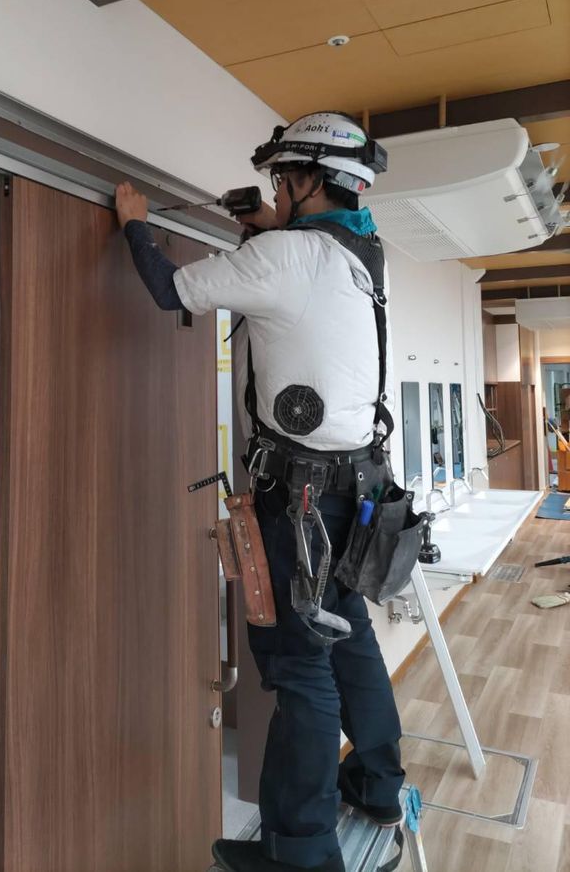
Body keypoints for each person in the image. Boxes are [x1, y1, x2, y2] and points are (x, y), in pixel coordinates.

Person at [115, 112, 405, 872]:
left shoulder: (285, 255)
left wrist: (135, 222)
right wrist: (268, 229)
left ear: (307, 179)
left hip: (300, 503)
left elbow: (168, 288)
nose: (276, 192)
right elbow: (300, 289)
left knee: (302, 666)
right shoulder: (362, 254)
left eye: (282, 180)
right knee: (350, 635)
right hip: (358, 488)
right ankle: (378, 784)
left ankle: (300, 853)